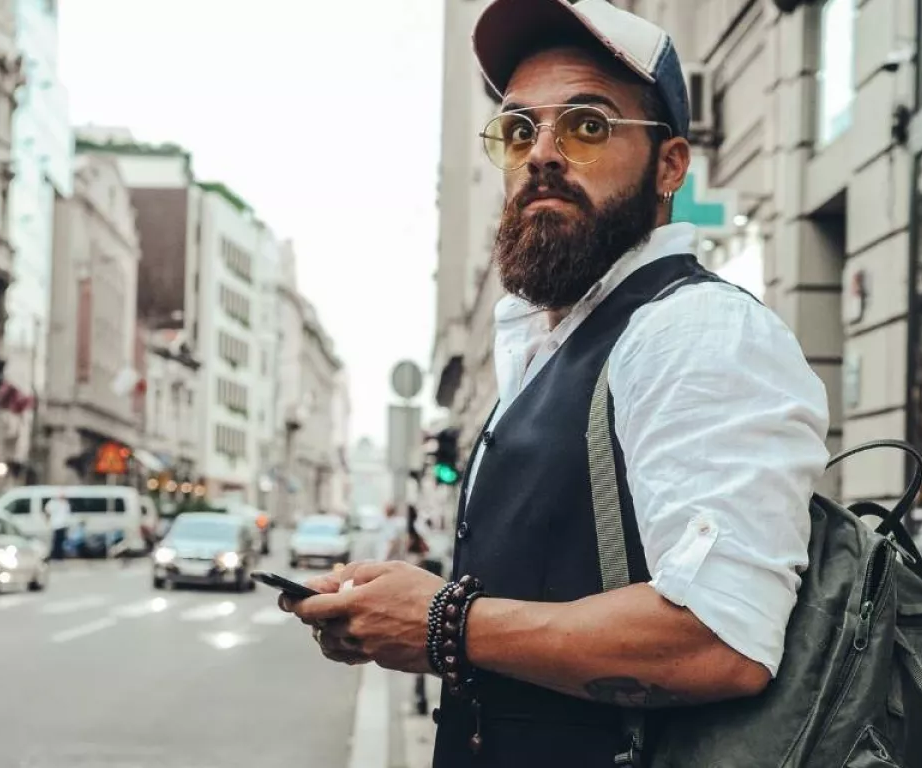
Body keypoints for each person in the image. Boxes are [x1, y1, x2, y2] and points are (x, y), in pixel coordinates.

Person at [282, 2, 830, 765]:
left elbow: (720, 639)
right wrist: (402, 607)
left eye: (587, 125)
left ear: (670, 164)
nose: (541, 152)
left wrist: (442, 622)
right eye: (517, 129)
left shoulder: (694, 330)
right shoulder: (553, 340)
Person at [45, 492, 72, 561]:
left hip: (62, 525)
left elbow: (67, 515)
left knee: (60, 541)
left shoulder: (65, 504)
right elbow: (47, 511)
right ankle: (56, 555)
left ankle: (58, 555)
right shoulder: (54, 503)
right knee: (57, 541)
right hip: (57, 525)